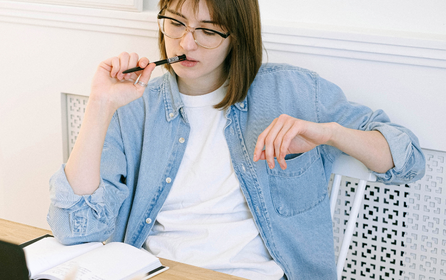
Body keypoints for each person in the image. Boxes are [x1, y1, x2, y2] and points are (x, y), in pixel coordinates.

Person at [47, 0, 426, 279]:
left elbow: (407, 161)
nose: (186, 44)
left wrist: (329, 134)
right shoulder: (134, 107)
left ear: (237, 37)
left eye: (208, 31)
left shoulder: (293, 91)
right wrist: (99, 106)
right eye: (175, 24)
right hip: (158, 272)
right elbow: (76, 229)